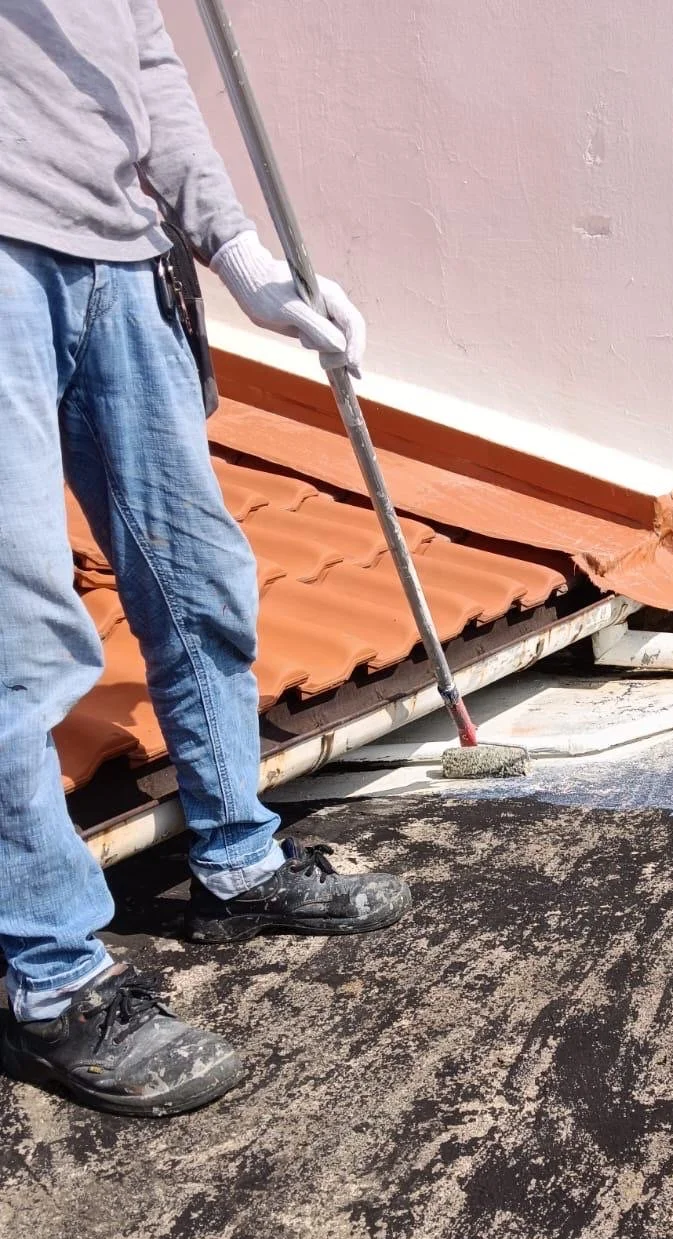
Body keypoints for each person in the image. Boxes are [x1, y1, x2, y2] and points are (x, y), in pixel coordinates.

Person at [0, 0, 412, 1118]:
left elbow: (146, 63)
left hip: (122, 260)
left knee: (201, 579)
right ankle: (52, 983)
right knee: (21, 631)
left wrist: (236, 253)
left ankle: (238, 862)